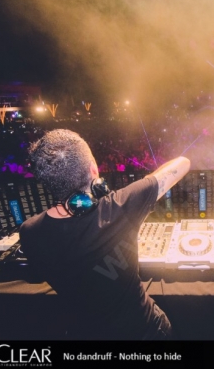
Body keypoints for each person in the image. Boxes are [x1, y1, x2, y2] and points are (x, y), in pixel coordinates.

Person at [19, 129, 190, 340]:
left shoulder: (29, 232)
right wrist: (147, 181)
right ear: (93, 169)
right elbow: (183, 163)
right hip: (144, 332)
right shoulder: (119, 207)